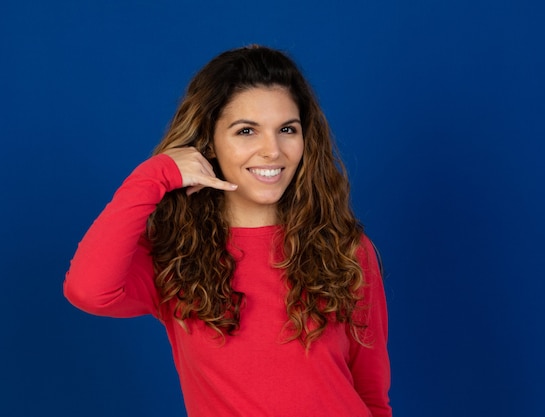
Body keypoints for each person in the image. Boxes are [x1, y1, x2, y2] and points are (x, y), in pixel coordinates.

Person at [64, 45, 391, 417]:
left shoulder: (345, 248)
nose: (273, 150)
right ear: (210, 142)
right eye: (246, 131)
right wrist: (155, 174)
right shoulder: (176, 257)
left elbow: (372, 392)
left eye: (287, 129)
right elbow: (88, 291)